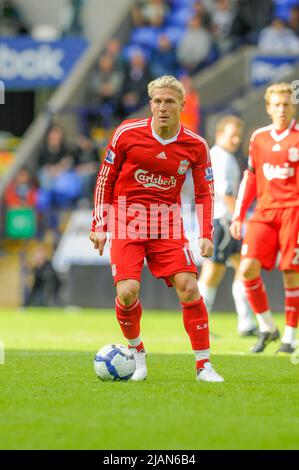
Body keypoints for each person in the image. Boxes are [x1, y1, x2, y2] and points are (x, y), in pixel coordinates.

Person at [90, 75, 224, 383]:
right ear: (151, 104)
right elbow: (104, 180)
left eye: (170, 102)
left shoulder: (196, 145)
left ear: (182, 105)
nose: (163, 107)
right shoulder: (127, 132)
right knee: (127, 293)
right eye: (158, 101)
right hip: (127, 222)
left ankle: (203, 365)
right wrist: (100, 223)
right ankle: (136, 354)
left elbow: (205, 191)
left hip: (167, 224)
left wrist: (205, 233)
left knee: (190, 287)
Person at [231, 82, 299, 354]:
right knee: (247, 269)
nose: (281, 109)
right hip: (264, 212)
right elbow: (250, 176)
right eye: (276, 105)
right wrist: (239, 214)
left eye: (286, 104)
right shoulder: (258, 137)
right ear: (268, 108)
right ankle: (268, 327)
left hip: (294, 210)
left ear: (292, 106)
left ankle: (290, 338)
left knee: (290, 272)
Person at [198, 116, 257, 336]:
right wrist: (240, 217)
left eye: (238, 136)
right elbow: (226, 193)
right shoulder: (220, 157)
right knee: (213, 272)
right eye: (231, 134)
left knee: (244, 267)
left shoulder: (226, 156)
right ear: (219, 133)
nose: (236, 139)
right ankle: (200, 324)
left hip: (227, 220)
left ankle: (245, 322)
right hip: (223, 220)